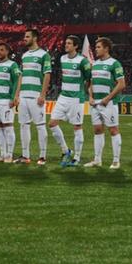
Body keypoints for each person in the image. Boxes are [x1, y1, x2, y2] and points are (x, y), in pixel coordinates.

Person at [84, 37, 126, 169]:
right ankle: (97, 160)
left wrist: (108, 98)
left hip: (109, 103)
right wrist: (90, 96)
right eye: (95, 47)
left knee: (113, 130)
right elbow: (90, 83)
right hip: (95, 103)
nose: (96, 49)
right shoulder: (94, 64)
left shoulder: (115, 63)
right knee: (97, 130)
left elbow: (121, 84)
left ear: (106, 48)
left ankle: (116, 161)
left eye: (98, 47)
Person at [50, 35, 91, 167]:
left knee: (77, 126)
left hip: (76, 99)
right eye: (66, 43)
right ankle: (66, 150)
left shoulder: (82, 61)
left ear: (76, 46)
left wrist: (85, 93)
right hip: (63, 97)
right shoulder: (62, 58)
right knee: (52, 123)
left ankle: (77, 157)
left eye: (69, 43)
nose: (66, 45)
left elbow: (89, 78)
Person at [15, 29, 52, 165]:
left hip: (36, 95)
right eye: (24, 36)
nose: (24, 38)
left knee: (40, 125)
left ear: (35, 38)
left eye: (27, 36)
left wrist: (43, 94)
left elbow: (47, 74)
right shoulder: (24, 56)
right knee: (23, 125)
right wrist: (17, 95)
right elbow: (21, 75)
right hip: (24, 96)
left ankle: (42, 156)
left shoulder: (44, 55)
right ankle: (25, 155)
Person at [0, 42, 21, 163]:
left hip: (6, 101)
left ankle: (9, 155)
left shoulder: (13, 65)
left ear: (7, 51)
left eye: (1, 50)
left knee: (8, 127)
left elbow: (17, 80)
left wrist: (14, 97)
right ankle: (2, 154)